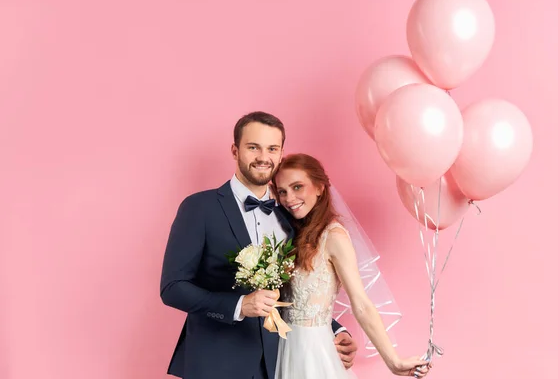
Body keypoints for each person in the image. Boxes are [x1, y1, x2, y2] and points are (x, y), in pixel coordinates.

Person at [160, 112, 357, 379]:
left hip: (278, 361)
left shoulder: (289, 216)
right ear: (235, 150)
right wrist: (239, 305)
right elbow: (173, 288)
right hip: (215, 363)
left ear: (280, 153)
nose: (263, 157)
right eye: (253, 147)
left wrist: (332, 329)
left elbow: (294, 290)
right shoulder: (199, 208)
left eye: (272, 149)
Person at [272, 153, 432, 378]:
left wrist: (393, 361)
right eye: (282, 191)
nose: (289, 198)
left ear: (319, 187)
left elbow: (362, 304)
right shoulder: (289, 235)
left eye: (298, 187)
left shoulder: (334, 236)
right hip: (283, 348)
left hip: (313, 351)